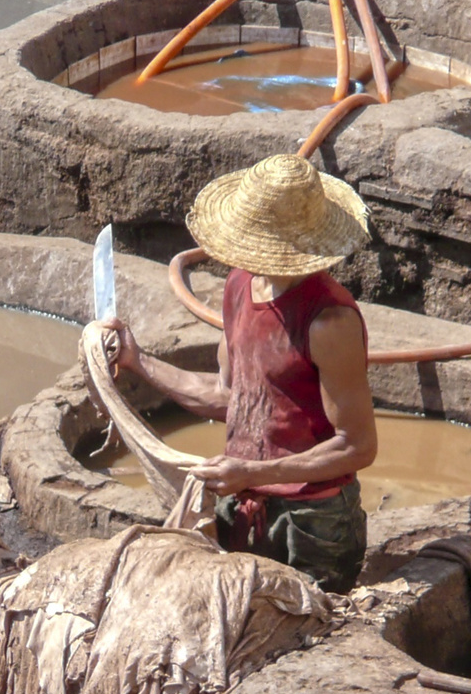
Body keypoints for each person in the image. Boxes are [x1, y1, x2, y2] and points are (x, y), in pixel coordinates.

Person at [104, 153, 377, 593]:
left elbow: (357, 446)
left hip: (312, 524)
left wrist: (251, 474)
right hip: (246, 501)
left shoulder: (329, 321)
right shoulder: (237, 286)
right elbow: (226, 396)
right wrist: (138, 362)